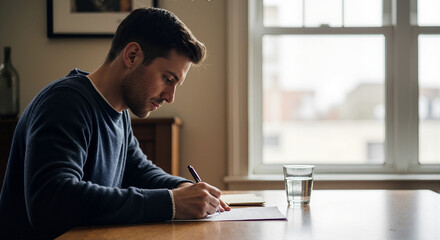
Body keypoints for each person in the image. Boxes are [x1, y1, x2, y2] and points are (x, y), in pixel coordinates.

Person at [0, 7, 230, 239]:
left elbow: (140, 172)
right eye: (167, 79)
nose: (170, 97)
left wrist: (184, 188)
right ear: (132, 55)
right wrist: (171, 202)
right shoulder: (64, 103)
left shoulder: (118, 113)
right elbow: (51, 202)